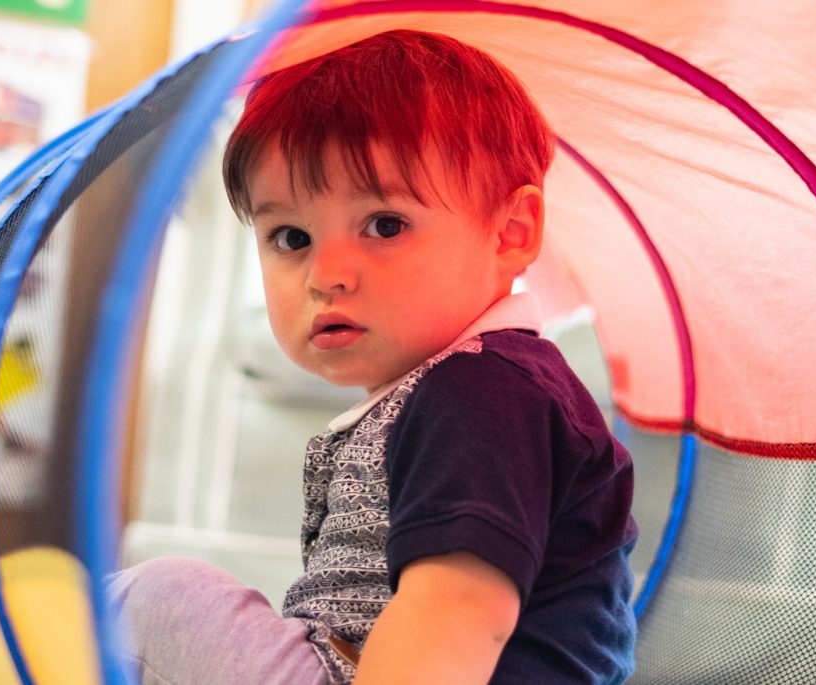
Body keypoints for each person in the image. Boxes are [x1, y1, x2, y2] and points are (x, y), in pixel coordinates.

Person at [113, 30, 638, 684]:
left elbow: (461, 605)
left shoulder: (483, 393)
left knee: (155, 597)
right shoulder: (451, 386)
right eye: (291, 237)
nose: (325, 274)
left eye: (384, 225)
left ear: (511, 233)